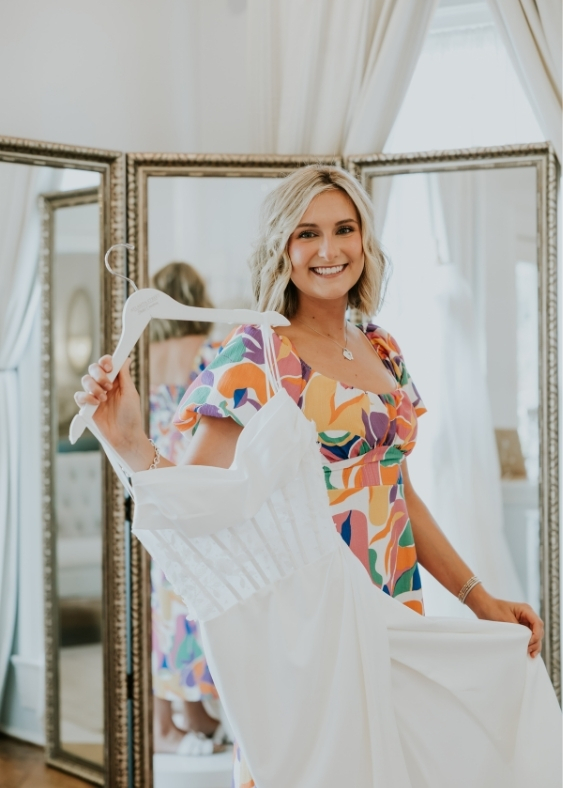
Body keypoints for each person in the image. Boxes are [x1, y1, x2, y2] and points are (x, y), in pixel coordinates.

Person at [75, 166, 557, 787]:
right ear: (282, 246)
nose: (329, 250)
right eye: (308, 234)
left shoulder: (384, 350)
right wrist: (132, 443)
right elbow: (197, 500)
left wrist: (481, 601)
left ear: (365, 240)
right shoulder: (258, 354)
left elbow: (399, 493)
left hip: (392, 604)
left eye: (344, 229)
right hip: (308, 623)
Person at [148, 262, 224, 755]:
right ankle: (195, 711)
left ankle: (171, 722)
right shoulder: (211, 353)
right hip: (199, 493)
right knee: (200, 605)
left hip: (153, 493)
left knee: (163, 609)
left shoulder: (141, 358)